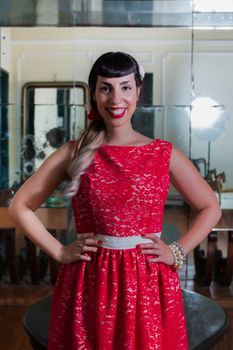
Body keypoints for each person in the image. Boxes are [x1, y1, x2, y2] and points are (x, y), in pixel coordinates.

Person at [9, 51, 221, 350]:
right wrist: (58, 251)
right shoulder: (75, 153)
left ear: (138, 91)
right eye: (105, 87)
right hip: (89, 280)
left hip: (147, 280)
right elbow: (20, 206)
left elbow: (210, 206)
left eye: (125, 87)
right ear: (94, 94)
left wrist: (177, 250)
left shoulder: (162, 153)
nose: (115, 98)